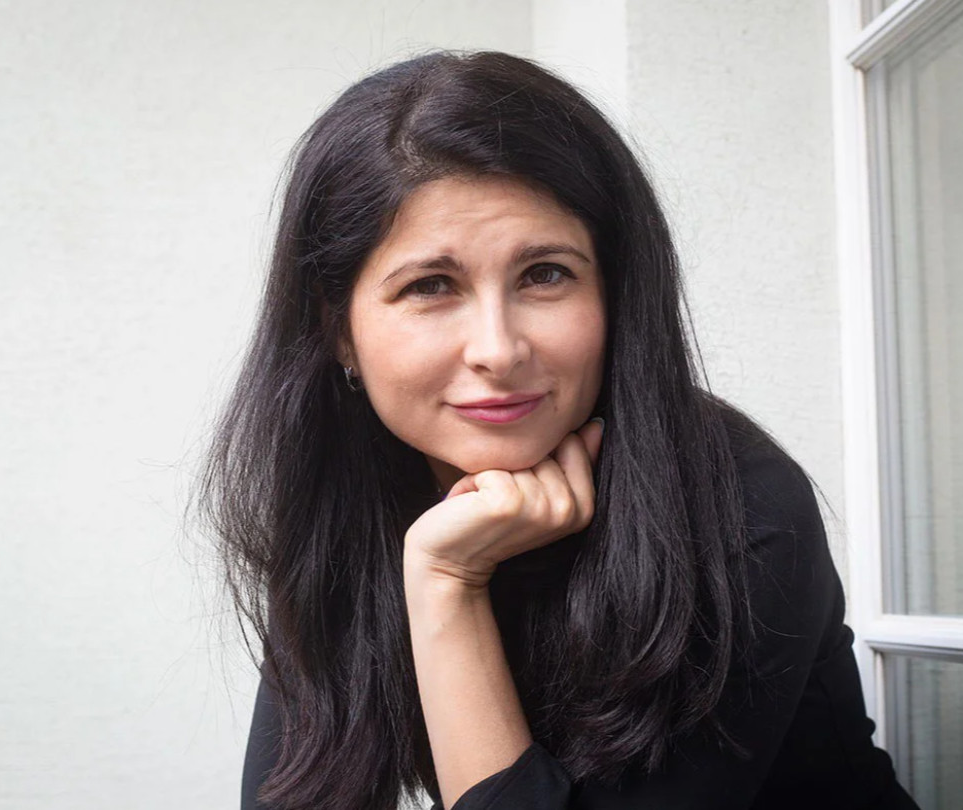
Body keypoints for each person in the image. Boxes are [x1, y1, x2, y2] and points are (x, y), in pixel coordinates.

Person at [200, 50, 920, 810]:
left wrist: (448, 586)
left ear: (615, 294)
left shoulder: (740, 505)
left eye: (544, 274)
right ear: (338, 330)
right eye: (430, 286)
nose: (499, 350)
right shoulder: (346, 501)